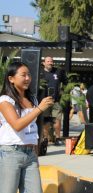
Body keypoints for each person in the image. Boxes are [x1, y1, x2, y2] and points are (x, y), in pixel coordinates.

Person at [0, 61, 54, 193]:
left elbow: (33, 126)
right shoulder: (5, 100)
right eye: (23, 75)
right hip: (11, 153)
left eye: (29, 75)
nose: (28, 78)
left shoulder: (32, 99)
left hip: (30, 154)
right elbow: (17, 125)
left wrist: (36, 147)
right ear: (11, 79)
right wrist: (39, 109)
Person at [40, 56, 67, 145]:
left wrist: (62, 93)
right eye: (48, 61)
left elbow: (66, 83)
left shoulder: (58, 71)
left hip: (56, 101)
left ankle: (58, 138)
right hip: (44, 101)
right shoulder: (40, 72)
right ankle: (45, 139)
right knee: (46, 121)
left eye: (51, 61)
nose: (50, 63)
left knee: (57, 119)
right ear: (44, 63)